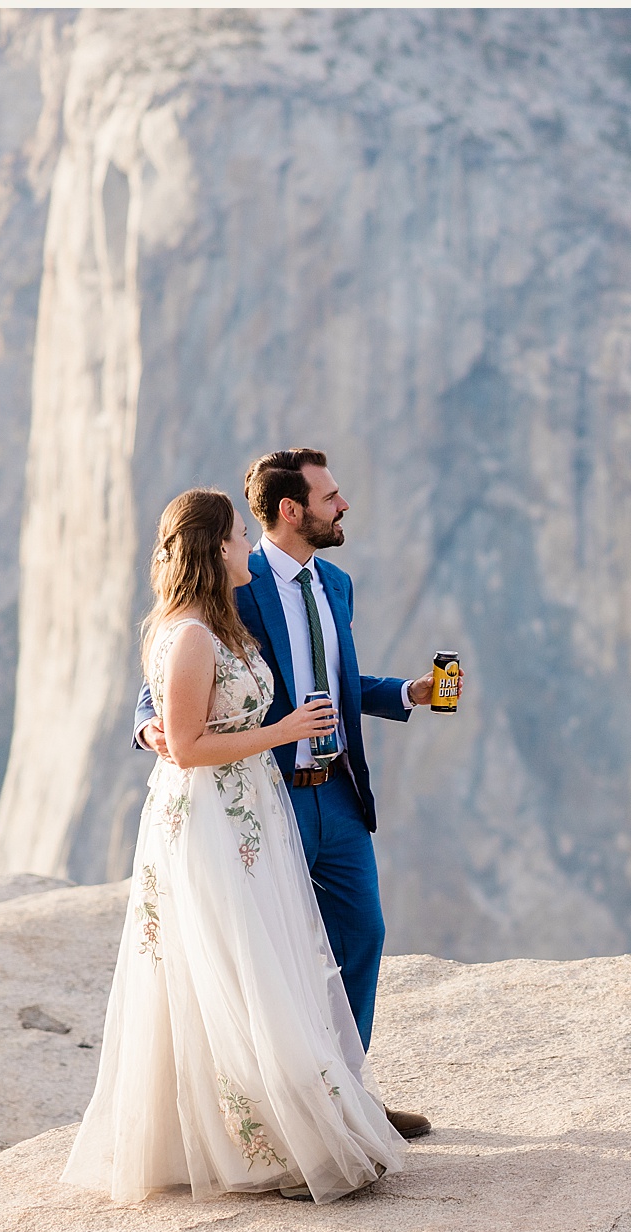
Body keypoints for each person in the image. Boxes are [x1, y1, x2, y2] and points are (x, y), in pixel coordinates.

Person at [64, 488, 407, 1203]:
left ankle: (329, 1098)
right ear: (215, 548)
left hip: (255, 810)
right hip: (215, 821)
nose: (248, 547)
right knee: (238, 965)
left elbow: (333, 683)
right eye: (235, 539)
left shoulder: (235, 614)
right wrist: (276, 732)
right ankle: (277, 1131)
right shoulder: (194, 631)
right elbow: (181, 735)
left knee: (272, 959)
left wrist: (406, 694)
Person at [132, 447, 434, 1139]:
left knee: (363, 935)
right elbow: (170, 672)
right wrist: (150, 728)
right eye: (331, 496)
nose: (344, 505)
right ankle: (285, 1112)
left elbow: (334, 686)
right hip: (269, 798)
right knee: (277, 954)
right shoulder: (231, 581)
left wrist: (406, 695)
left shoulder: (338, 584)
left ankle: (345, 1094)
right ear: (291, 509)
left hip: (339, 793)